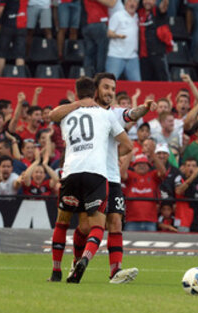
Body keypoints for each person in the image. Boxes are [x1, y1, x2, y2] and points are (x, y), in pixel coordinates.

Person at [50, 72, 156, 284]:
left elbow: (131, 114)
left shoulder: (114, 113)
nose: (110, 92)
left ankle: (115, 272)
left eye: (113, 89)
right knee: (86, 227)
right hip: (93, 175)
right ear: (96, 90)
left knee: (115, 222)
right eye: (106, 88)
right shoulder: (86, 112)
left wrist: (143, 109)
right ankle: (76, 263)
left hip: (110, 176)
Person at [105, 0, 141, 81]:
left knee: (137, 85)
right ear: (125, 3)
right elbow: (109, 33)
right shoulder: (118, 15)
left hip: (132, 57)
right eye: (130, 1)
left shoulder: (137, 16)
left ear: (137, 5)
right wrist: (118, 36)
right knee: (109, 82)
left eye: (135, 2)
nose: (132, 4)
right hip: (116, 55)